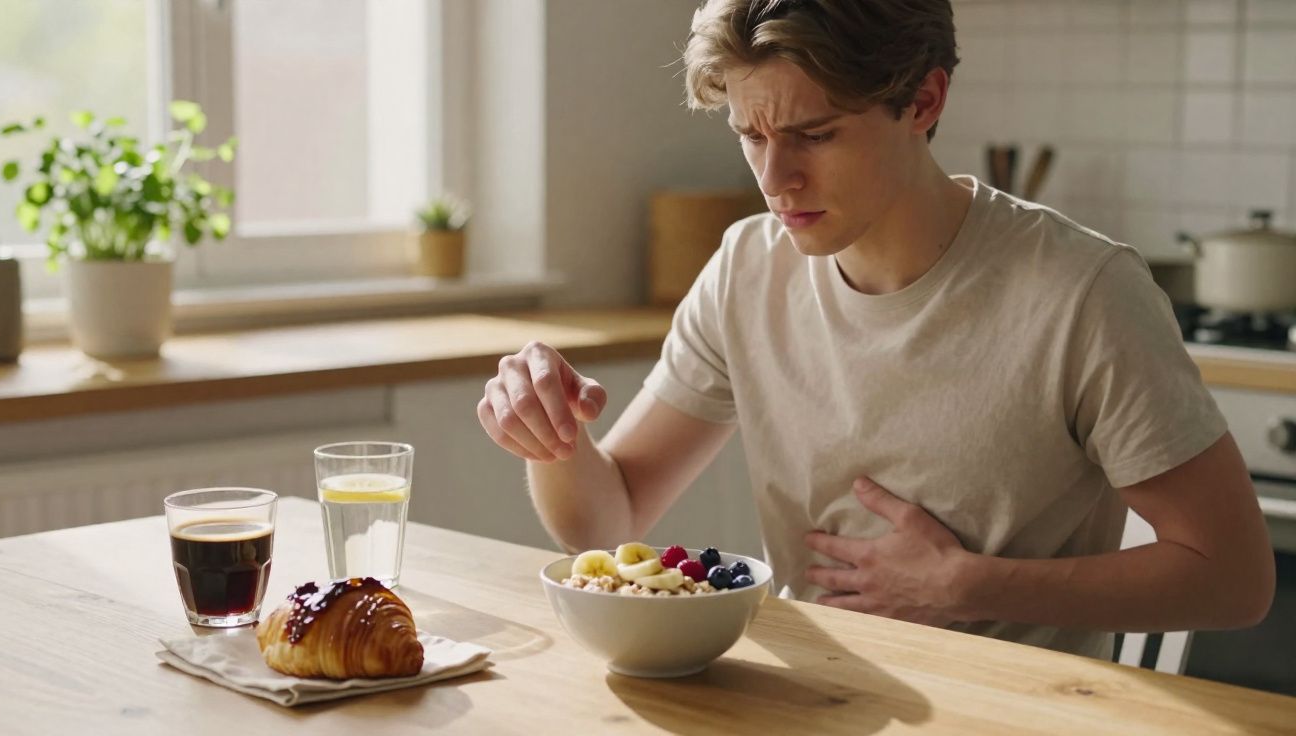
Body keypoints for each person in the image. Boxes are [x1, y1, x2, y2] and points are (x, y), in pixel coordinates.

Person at [475, 0, 1274, 658]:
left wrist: (969, 584)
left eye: (815, 136)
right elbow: (604, 521)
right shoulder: (746, 268)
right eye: (751, 136)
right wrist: (552, 436)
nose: (774, 180)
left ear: (923, 102)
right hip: (809, 696)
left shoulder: (1082, 292)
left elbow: (1235, 577)